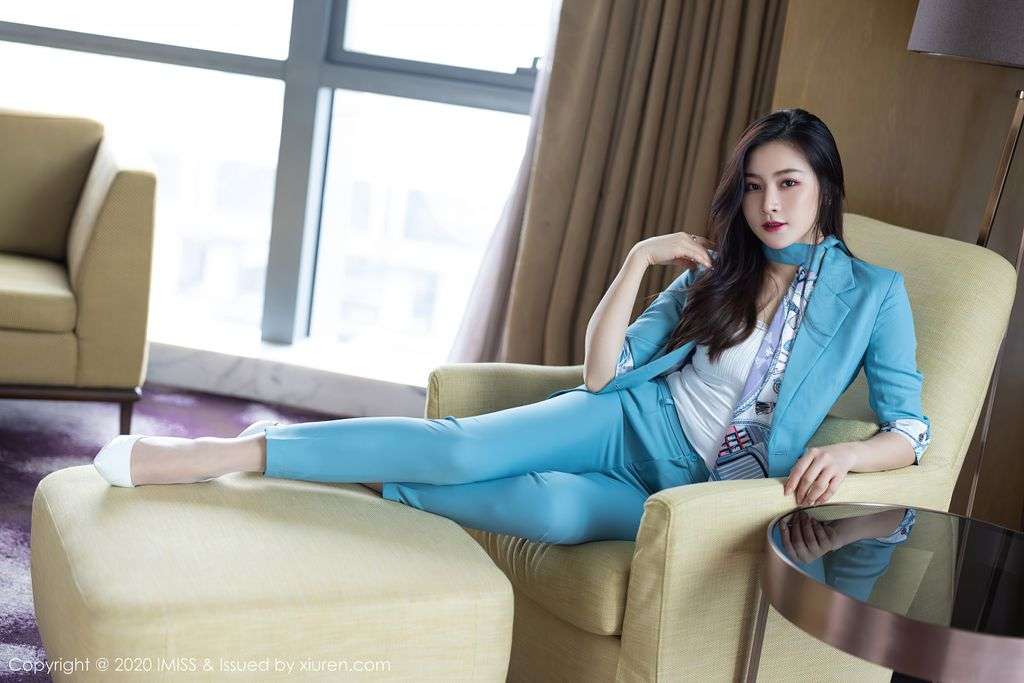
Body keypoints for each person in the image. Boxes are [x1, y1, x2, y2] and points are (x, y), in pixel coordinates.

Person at [92, 108, 932, 546]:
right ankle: (231, 453)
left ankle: (351, 471)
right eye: (754, 186)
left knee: (556, 514)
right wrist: (638, 259)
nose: (768, 204)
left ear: (825, 187)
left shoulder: (874, 296)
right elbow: (601, 373)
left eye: (788, 183)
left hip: (690, 491)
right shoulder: (718, 271)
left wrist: (850, 455)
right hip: (629, 419)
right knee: (462, 449)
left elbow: (910, 429)